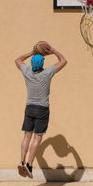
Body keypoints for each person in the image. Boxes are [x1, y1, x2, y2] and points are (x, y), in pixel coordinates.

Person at [14, 44, 67, 178]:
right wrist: (53, 51)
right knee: (37, 137)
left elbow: (18, 60)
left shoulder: (26, 71)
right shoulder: (47, 73)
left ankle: (21, 161)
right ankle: (29, 165)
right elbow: (63, 61)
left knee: (27, 136)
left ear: (32, 64)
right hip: (42, 109)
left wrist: (32, 52)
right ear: (42, 63)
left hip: (29, 107)